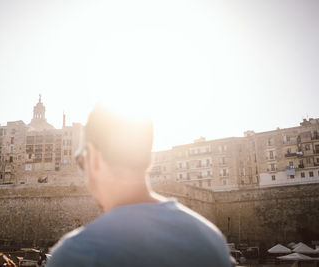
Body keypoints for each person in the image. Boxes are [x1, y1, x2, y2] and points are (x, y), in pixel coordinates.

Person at [46, 103, 234, 267]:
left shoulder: (76, 255)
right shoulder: (211, 240)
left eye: (81, 162)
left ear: (93, 158)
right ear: (149, 159)